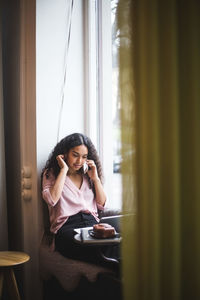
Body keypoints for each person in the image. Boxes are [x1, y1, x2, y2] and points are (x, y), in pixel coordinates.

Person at [41, 133, 119, 268]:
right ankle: (112, 264)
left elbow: (102, 204)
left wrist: (95, 179)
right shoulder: (51, 173)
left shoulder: (88, 175)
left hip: (91, 225)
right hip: (66, 228)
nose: (79, 161)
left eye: (84, 157)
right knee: (84, 245)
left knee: (117, 241)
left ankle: (113, 263)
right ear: (64, 153)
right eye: (75, 155)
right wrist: (64, 170)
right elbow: (52, 200)